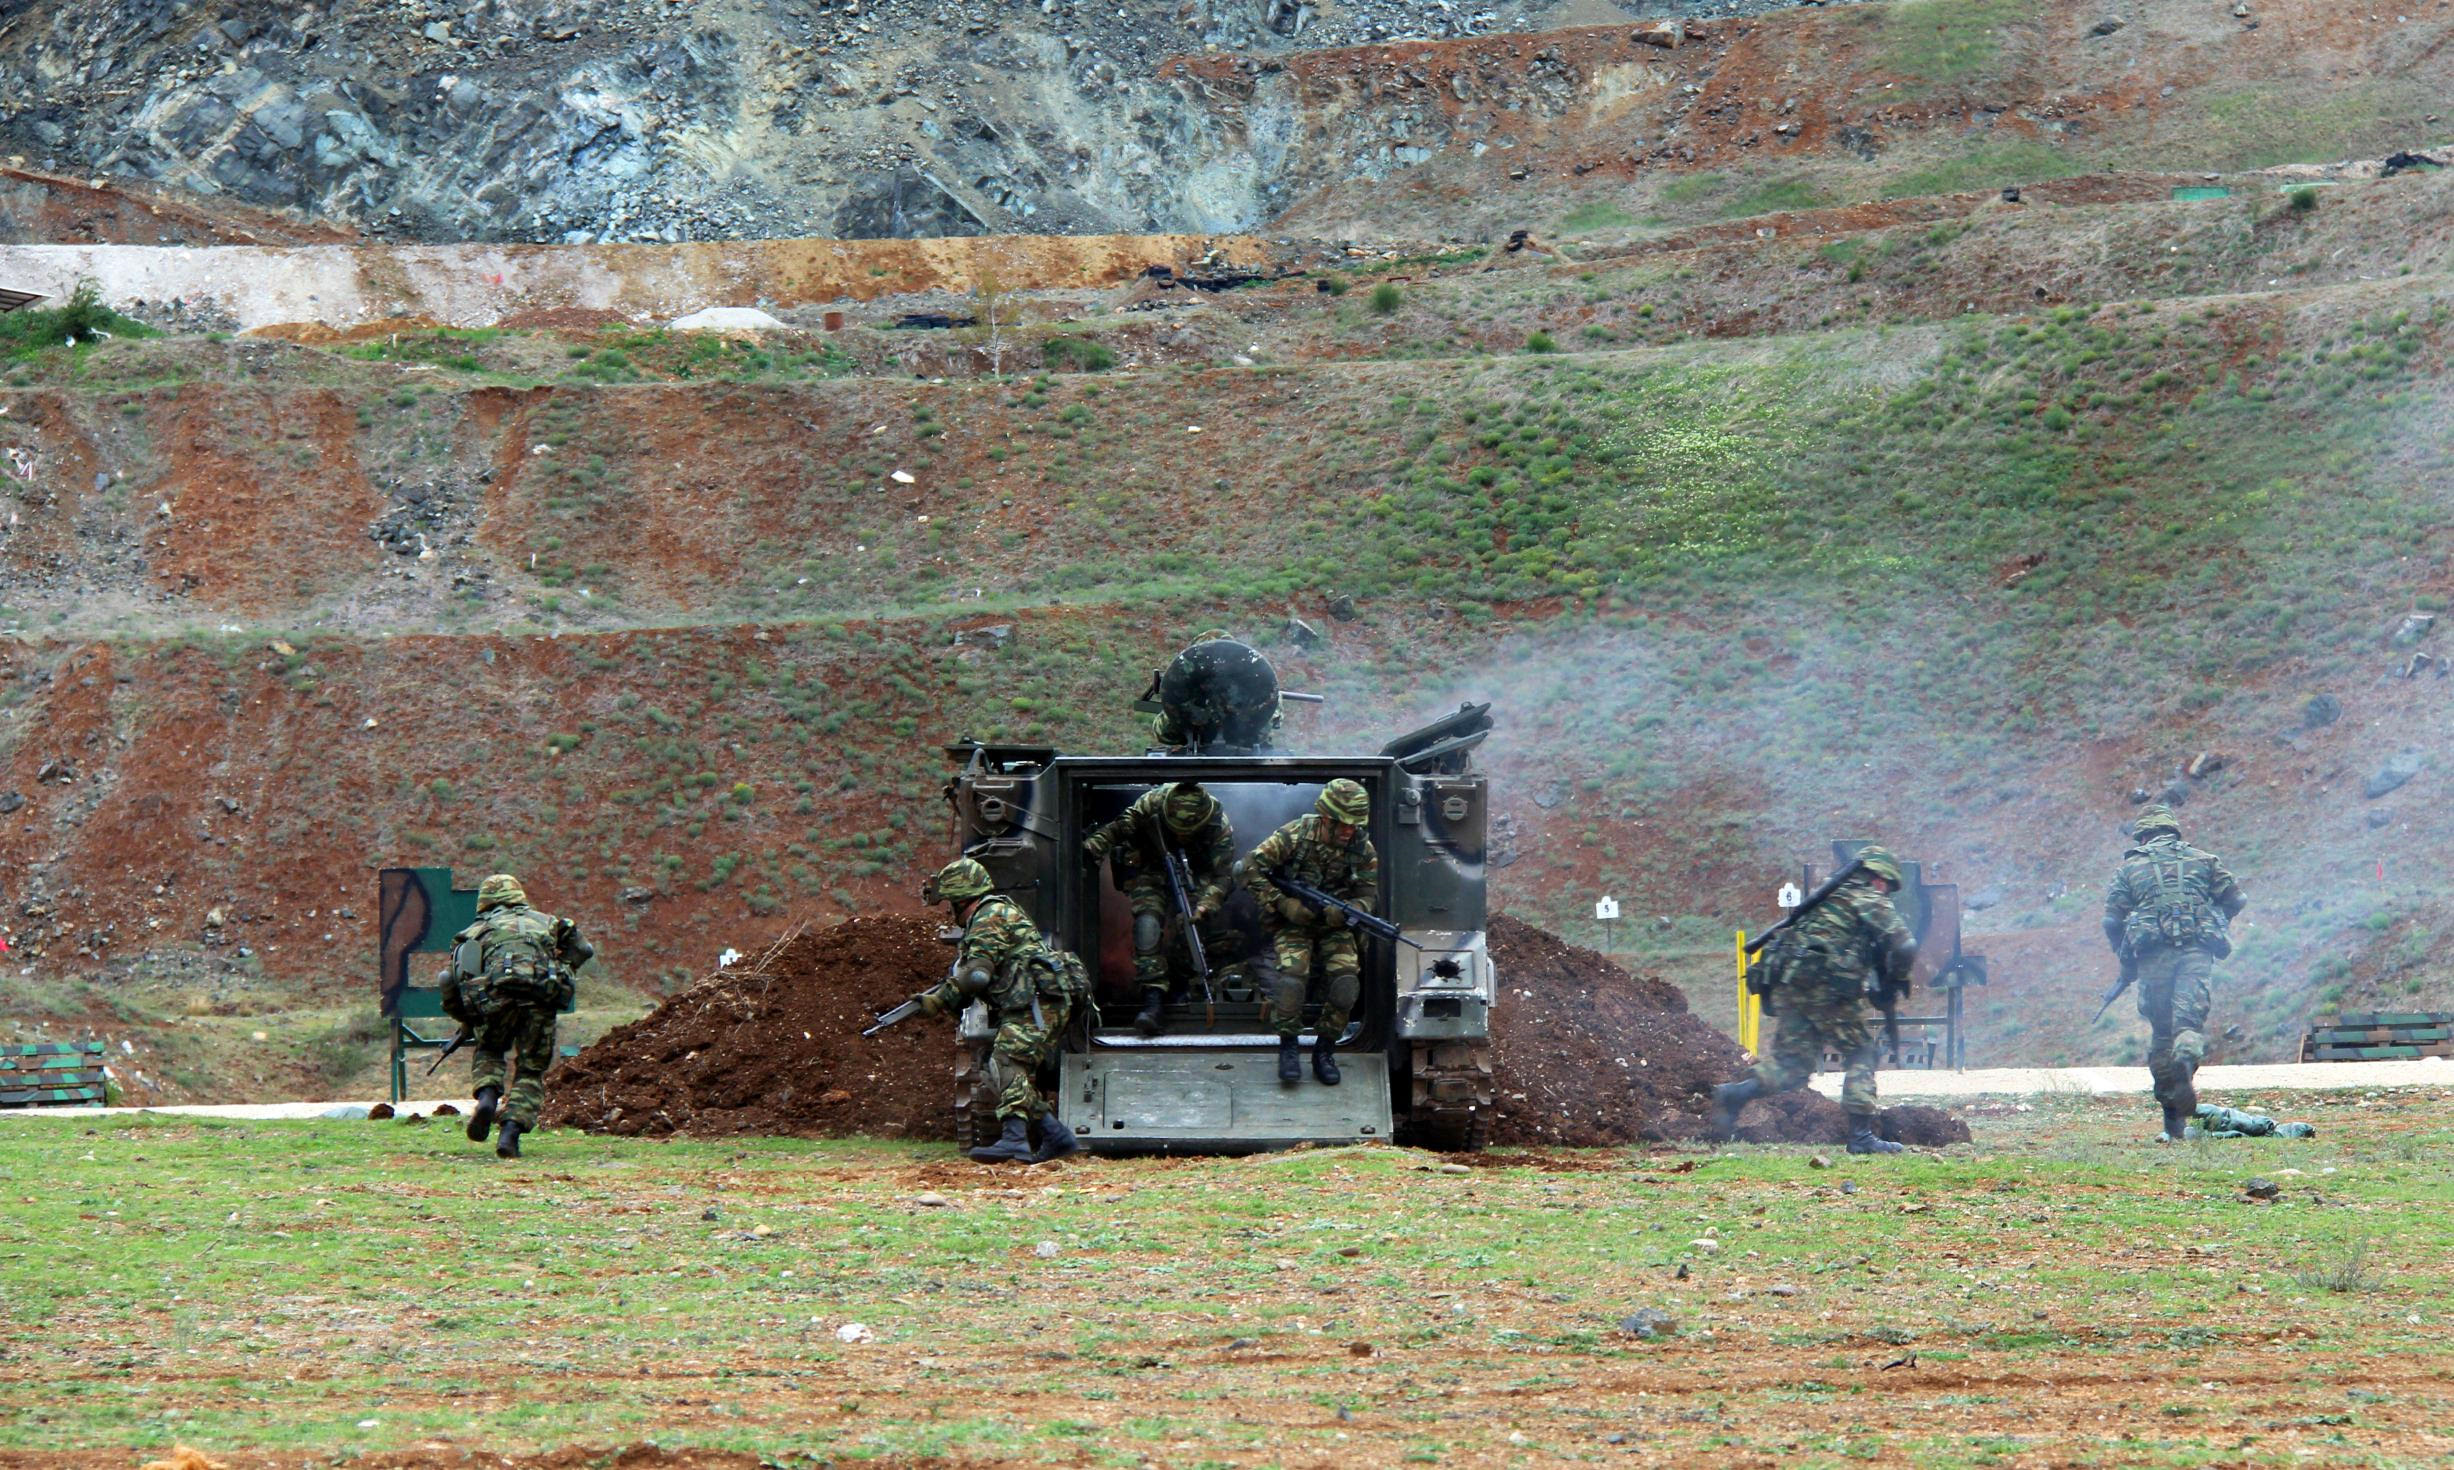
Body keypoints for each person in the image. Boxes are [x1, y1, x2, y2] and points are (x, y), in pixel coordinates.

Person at [1709, 846, 1917, 1155]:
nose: (1887, 891)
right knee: (1862, 1052)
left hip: (1791, 983)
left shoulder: (1823, 900)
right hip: (1828, 986)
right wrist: (1896, 979)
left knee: (1791, 1065)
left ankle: (1734, 1095)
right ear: (1876, 877)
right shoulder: (1868, 898)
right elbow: (1905, 946)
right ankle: (1861, 1137)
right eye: (1887, 884)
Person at [910, 857, 1083, 1164]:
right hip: (1034, 1000)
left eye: (950, 902)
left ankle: (1015, 1140)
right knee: (1001, 1066)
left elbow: (978, 973)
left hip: (1037, 1002)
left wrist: (939, 999)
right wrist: (944, 996)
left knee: (1005, 1061)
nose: (949, 911)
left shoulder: (990, 916)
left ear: (962, 897)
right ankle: (1056, 1136)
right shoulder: (992, 913)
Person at [2102, 804, 2246, 1142]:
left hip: (2153, 960)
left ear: (2144, 836)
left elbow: (2111, 920)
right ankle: (2186, 1061)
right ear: (2173, 832)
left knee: (2162, 1036)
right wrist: (2213, 921)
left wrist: (2125, 960)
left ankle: (2173, 1125)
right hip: (2196, 953)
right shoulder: (2204, 860)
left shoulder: (2130, 868)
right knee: (2188, 1026)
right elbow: (2237, 899)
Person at [439, 873, 591, 1160]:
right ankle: (510, 1132)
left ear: (485, 901)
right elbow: (584, 949)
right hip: (540, 1001)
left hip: (496, 1002)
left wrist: (465, 1019)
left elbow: (452, 981)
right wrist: (563, 969)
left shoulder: (473, 932)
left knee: (490, 1049)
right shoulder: (550, 923)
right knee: (530, 1070)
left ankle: (487, 1098)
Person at [1243, 778, 1378, 1087]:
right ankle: (1289, 1046)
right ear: (1325, 817)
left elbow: (1369, 895)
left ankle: (1325, 1049)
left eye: (1354, 825)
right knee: (1293, 975)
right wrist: (1285, 904)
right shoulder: (1294, 835)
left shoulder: (1362, 849)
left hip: (1335, 925)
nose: (1349, 831)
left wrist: (1348, 908)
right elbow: (1248, 867)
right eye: (1342, 824)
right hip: (1295, 922)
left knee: (1345, 982)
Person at [1082, 781, 1236, 1037]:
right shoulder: (1150, 804)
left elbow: (1223, 876)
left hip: (1195, 873)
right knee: (1148, 924)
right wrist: (1089, 849)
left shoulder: (1218, 825)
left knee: (1192, 926)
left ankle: (1185, 984)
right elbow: (1119, 829)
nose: (1183, 836)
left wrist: (1207, 903)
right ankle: (1152, 999)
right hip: (1149, 866)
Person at [1148, 631, 1283, 751]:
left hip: (1245, 758)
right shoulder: (1189, 692)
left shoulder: (1258, 688)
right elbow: (1166, 734)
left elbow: (1165, 734)